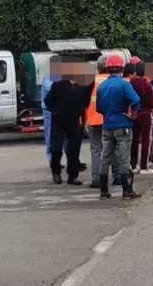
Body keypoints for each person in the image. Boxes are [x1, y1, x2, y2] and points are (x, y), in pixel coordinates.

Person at [95, 54, 141, 199]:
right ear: (121, 68)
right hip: (122, 125)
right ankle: (127, 190)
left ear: (107, 68)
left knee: (105, 157)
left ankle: (103, 191)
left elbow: (99, 108)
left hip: (107, 125)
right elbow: (136, 100)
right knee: (123, 157)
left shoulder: (102, 87)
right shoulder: (124, 84)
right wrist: (133, 114)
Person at [43, 56, 93, 185]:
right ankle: (56, 172)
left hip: (75, 120)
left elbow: (86, 102)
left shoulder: (84, 87)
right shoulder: (58, 85)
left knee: (74, 149)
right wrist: (55, 110)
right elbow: (48, 100)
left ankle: (73, 175)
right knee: (56, 148)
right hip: (58, 119)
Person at [85, 56, 111, 189]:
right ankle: (117, 176)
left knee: (96, 150)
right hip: (109, 119)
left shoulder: (91, 81)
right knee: (114, 148)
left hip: (93, 119)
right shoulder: (113, 80)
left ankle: (97, 179)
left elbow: (85, 102)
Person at [129, 62, 153, 174]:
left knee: (134, 140)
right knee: (146, 140)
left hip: (134, 114)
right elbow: (152, 103)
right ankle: (144, 166)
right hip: (145, 114)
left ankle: (133, 165)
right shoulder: (147, 85)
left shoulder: (131, 83)